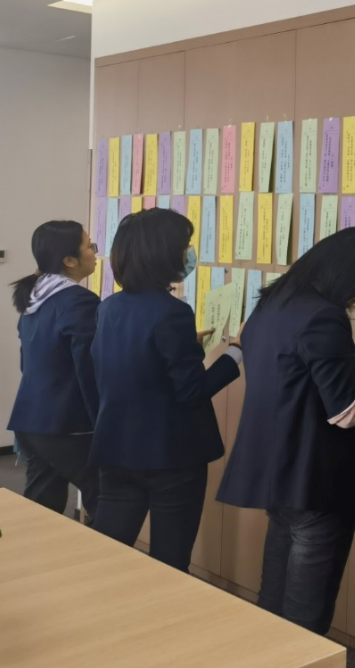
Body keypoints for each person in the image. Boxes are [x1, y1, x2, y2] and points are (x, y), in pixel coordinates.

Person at [217, 227, 355, 635]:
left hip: (277, 473)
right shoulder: (323, 316)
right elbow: (345, 409)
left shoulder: (271, 304)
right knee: (307, 612)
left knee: (274, 596)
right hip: (316, 479)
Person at [91, 208, 241, 570]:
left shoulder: (109, 307)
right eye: (184, 244)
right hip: (170, 455)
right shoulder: (172, 311)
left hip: (116, 448)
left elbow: (132, 367)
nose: (188, 253)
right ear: (163, 253)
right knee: (169, 563)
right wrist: (236, 352)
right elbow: (192, 392)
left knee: (106, 555)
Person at [8, 220, 101, 522]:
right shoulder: (79, 301)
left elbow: (27, 363)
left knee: (41, 506)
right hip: (67, 424)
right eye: (89, 246)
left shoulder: (35, 297)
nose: (95, 252)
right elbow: (89, 369)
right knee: (108, 497)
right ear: (69, 260)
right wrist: (102, 420)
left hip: (32, 420)